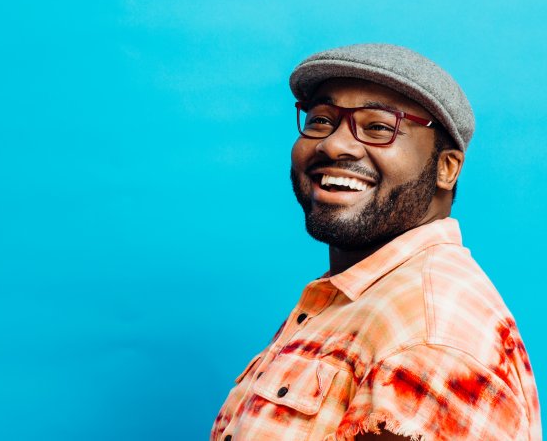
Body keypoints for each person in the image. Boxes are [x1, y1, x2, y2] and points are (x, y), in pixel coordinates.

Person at [210, 44, 540, 440]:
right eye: (320, 120)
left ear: (446, 167)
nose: (333, 145)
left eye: (379, 127)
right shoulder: (358, 299)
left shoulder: (428, 337)